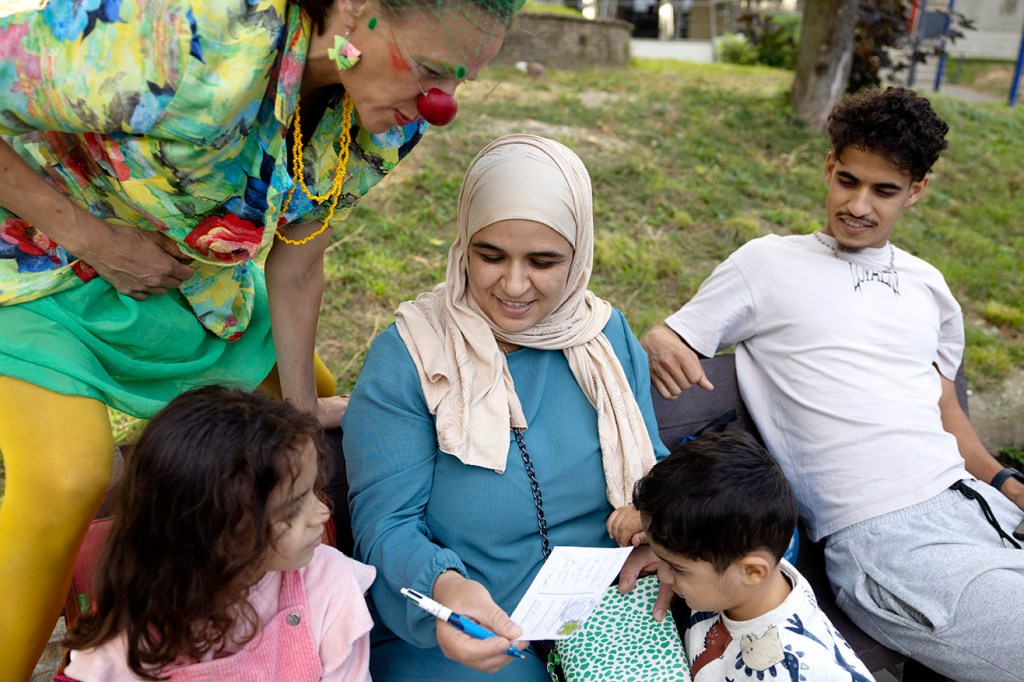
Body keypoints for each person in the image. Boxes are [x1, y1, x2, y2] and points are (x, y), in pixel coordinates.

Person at [0, 0, 523, 675]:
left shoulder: (384, 115)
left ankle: (290, 625)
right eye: (428, 69)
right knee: (69, 476)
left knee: (301, 414)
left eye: (460, 82)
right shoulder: (190, 38)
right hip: (33, 267)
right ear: (357, 10)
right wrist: (96, 240)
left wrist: (303, 420)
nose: (440, 103)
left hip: (184, 288)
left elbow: (299, 259)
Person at [641, 87, 1024, 681]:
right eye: (848, 181)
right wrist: (662, 338)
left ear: (916, 191)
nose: (859, 205)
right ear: (828, 166)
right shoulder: (766, 264)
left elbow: (945, 411)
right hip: (887, 544)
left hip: (980, 512)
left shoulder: (928, 285)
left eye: (885, 191)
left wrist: (1005, 482)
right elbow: (672, 338)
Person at [342, 134, 668, 680]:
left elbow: (653, 467)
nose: (513, 285)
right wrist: (447, 590)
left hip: (612, 609)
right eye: (489, 256)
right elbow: (385, 525)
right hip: (467, 629)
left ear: (579, 253)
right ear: (463, 244)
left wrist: (656, 528)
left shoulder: (603, 336)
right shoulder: (413, 355)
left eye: (543, 261)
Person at [59, 385, 375, 681]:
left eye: (313, 490)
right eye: (294, 507)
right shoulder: (136, 623)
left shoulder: (329, 583)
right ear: (213, 531)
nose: (323, 512)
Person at [630, 430, 872, 681]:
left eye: (677, 568)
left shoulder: (785, 671)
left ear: (753, 572)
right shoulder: (747, 573)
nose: (662, 575)